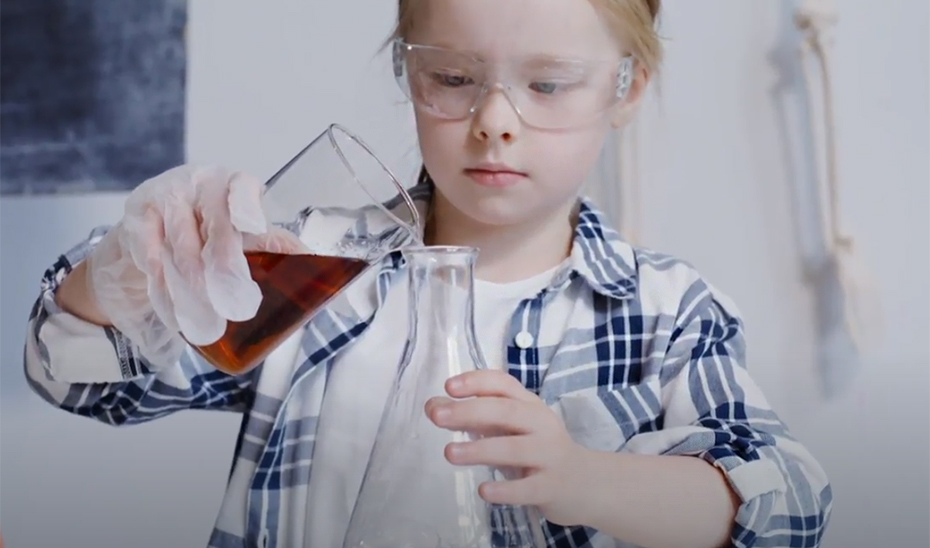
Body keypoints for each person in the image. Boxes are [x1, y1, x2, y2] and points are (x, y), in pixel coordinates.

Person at [23, 0, 833, 547]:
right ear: (407, 71)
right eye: (453, 77)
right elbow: (88, 384)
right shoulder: (313, 259)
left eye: (547, 84)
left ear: (627, 88)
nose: (493, 123)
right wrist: (119, 278)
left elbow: (788, 502)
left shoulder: (665, 309)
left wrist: (584, 479)